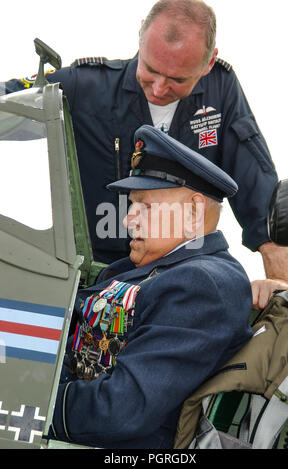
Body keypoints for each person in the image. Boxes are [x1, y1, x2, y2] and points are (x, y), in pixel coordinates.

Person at [0, 0, 288, 308]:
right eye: (150, 70)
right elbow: (11, 105)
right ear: (141, 35)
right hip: (101, 285)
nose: (158, 88)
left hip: (186, 283)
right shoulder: (86, 87)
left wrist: (284, 296)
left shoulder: (220, 92)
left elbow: (260, 195)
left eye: (177, 80)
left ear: (208, 64)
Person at [50, 125, 253, 449]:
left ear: (192, 213)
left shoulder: (203, 284)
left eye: (144, 206)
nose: (128, 219)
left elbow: (122, 410)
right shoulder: (152, 266)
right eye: (132, 205)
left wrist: (36, 401)